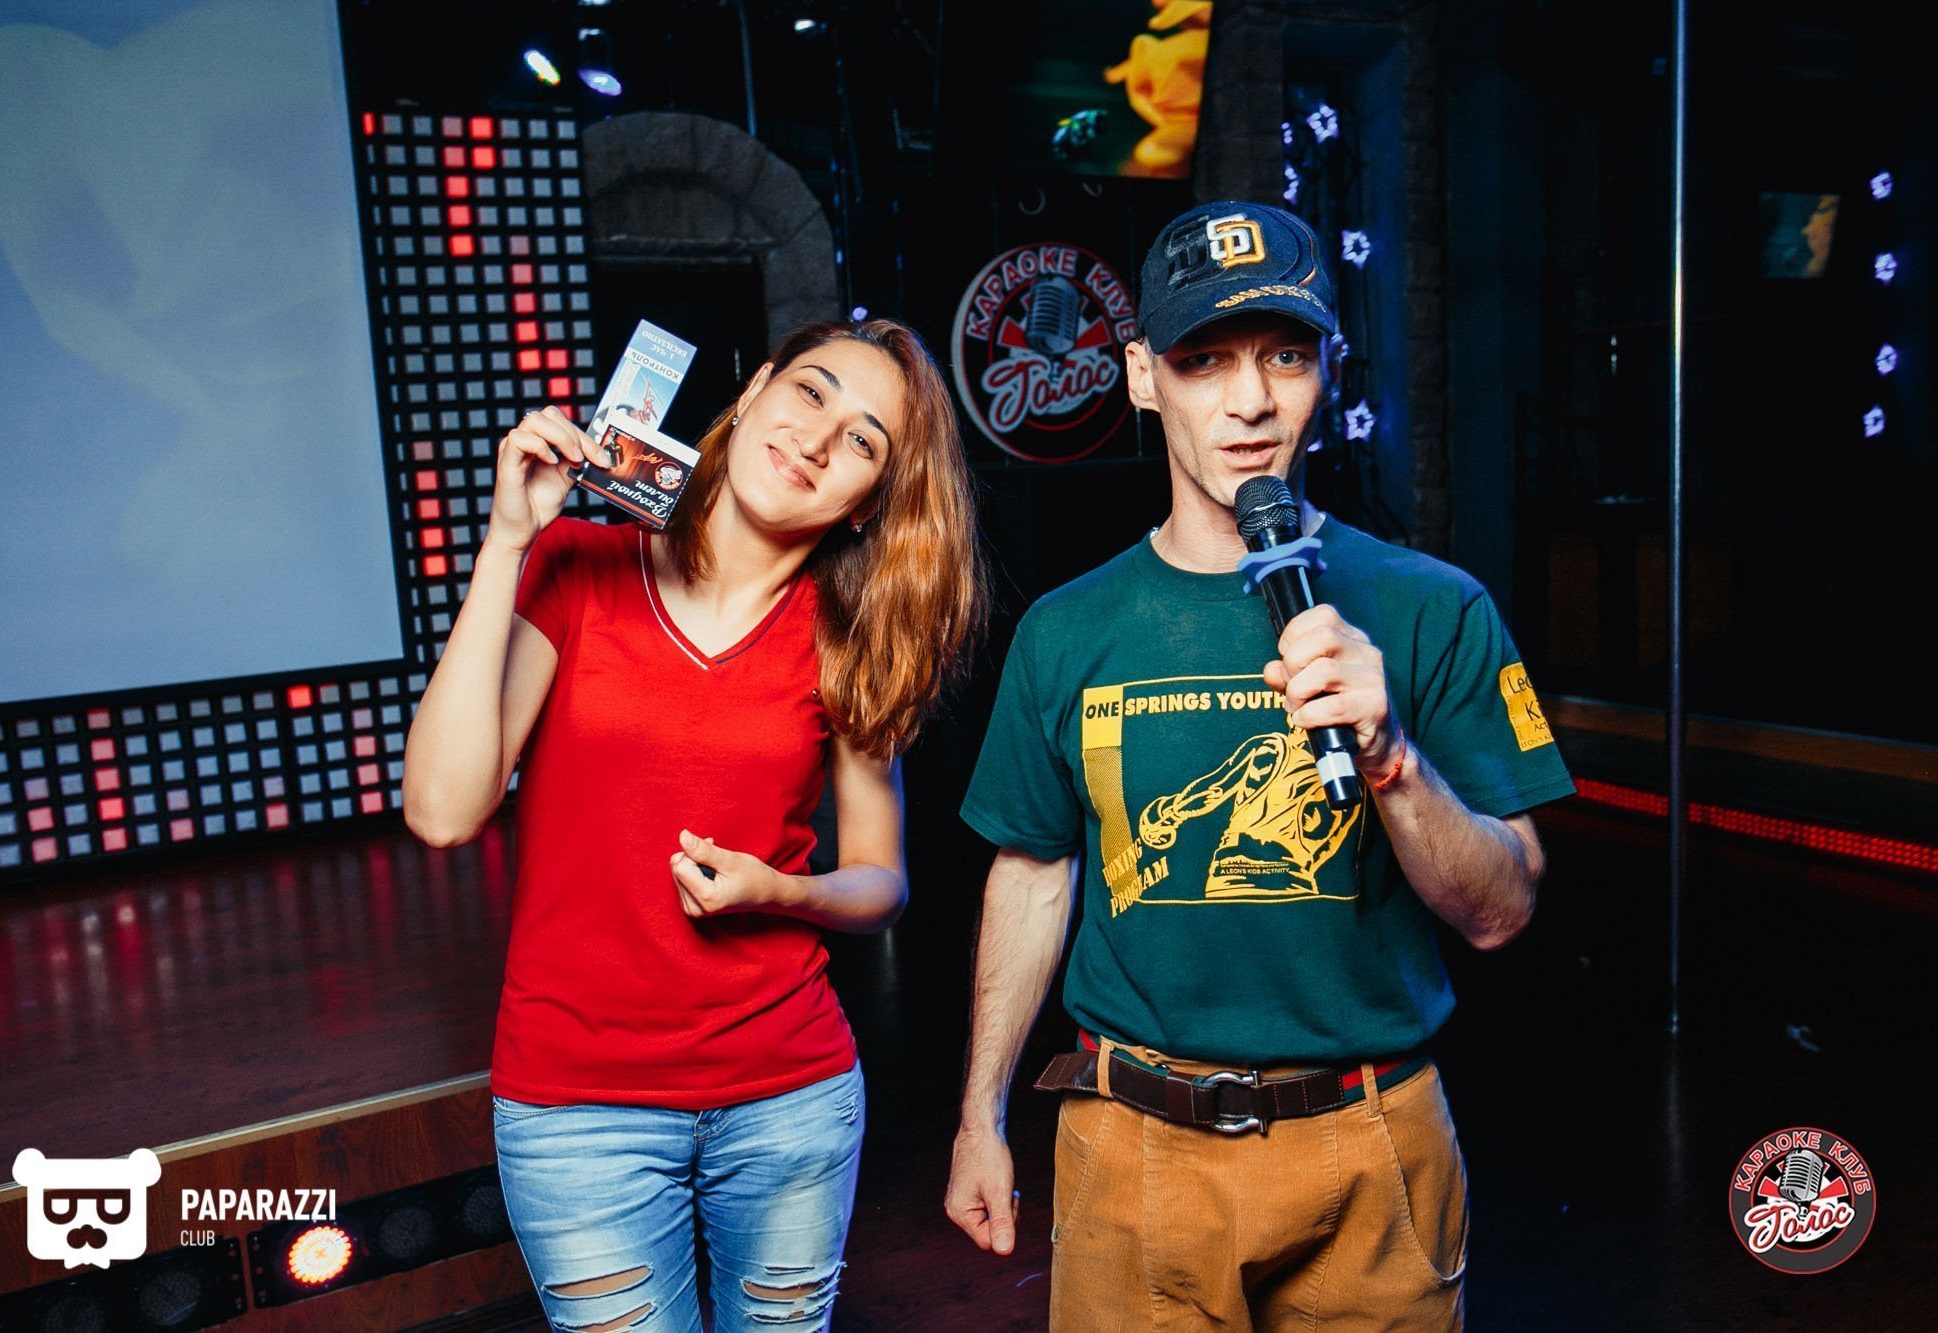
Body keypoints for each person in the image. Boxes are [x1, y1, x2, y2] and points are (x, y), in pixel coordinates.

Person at [942, 200, 1575, 1330]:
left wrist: (1391, 758)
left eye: (1284, 356)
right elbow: (1032, 874)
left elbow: (1502, 910)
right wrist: (977, 1116)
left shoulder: (1433, 608)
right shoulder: (1065, 629)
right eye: (1203, 360)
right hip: (1134, 1143)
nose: (1250, 402)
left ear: (1326, 373)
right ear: (1142, 376)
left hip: (1371, 1142)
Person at [404, 318, 988, 1333]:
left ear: (869, 502)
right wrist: (506, 542)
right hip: (577, 1109)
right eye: (809, 392)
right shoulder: (577, 566)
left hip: (790, 1098)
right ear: (754, 390)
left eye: (862, 440)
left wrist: (780, 890)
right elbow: (443, 810)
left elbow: (880, 879)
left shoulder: (847, 639)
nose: (816, 439)